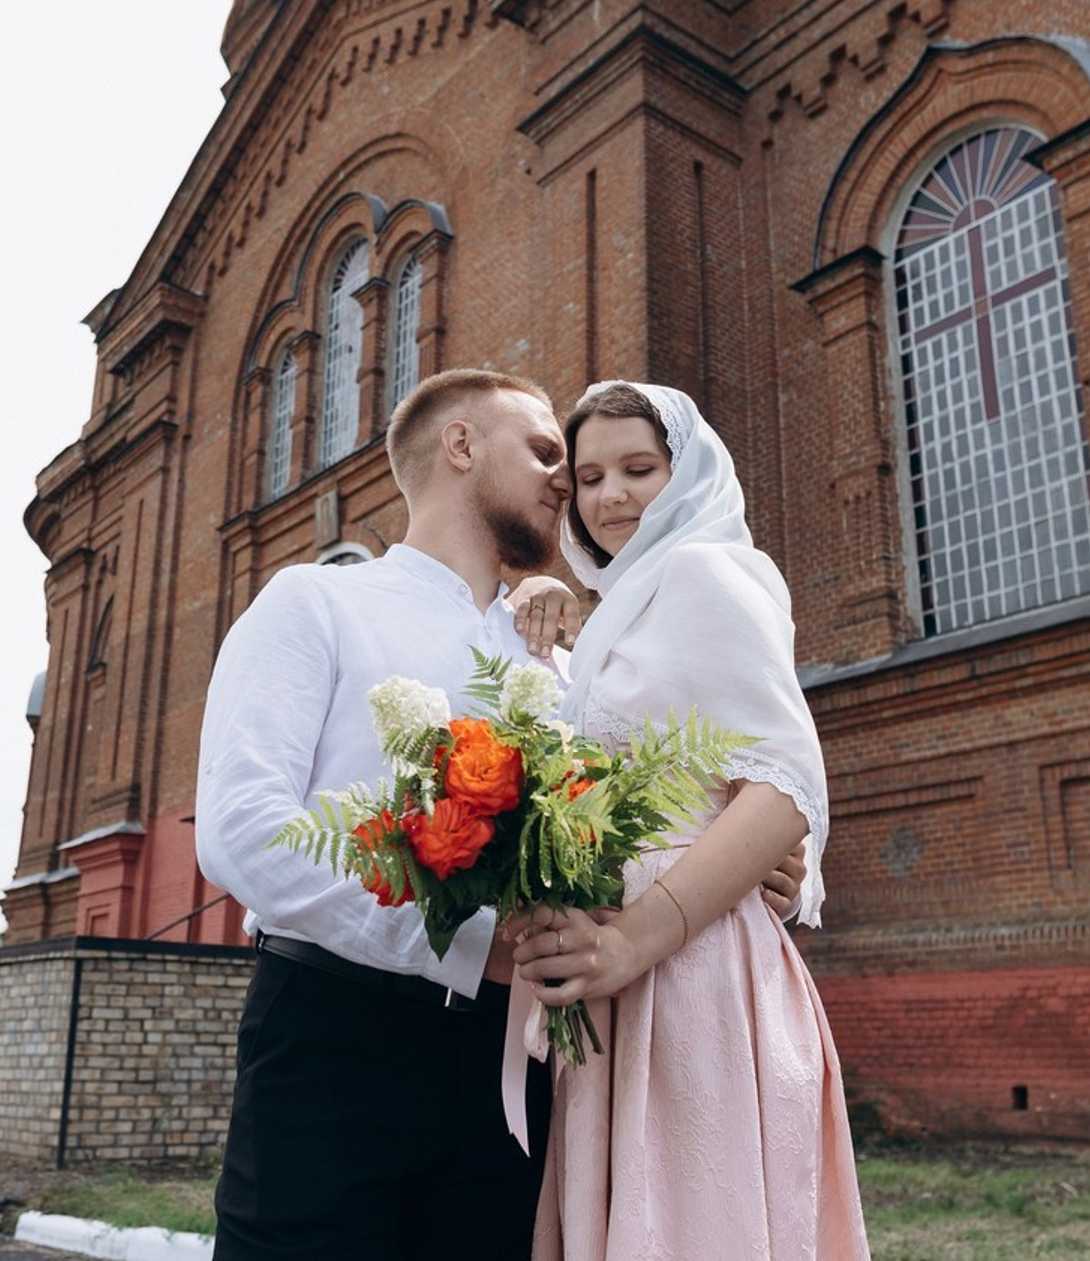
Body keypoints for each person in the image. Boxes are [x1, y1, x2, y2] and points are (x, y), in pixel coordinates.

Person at [194, 368, 809, 1261]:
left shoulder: (569, 669)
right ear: (461, 447)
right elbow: (245, 830)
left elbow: (678, 804)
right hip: (337, 1037)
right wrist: (474, 948)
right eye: (549, 454)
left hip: (519, 1063)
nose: (569, 482)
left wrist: (748, 861)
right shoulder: (317, 604)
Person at [509, 381, 870, 1259]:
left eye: (640, 468)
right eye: (589, 478)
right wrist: (533, 611)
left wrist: (634, 938)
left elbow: (784, 782)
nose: (611, 496)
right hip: (616, 980)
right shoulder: (621, 613)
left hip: (689, 970)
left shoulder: (709, 569)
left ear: (692, 473)